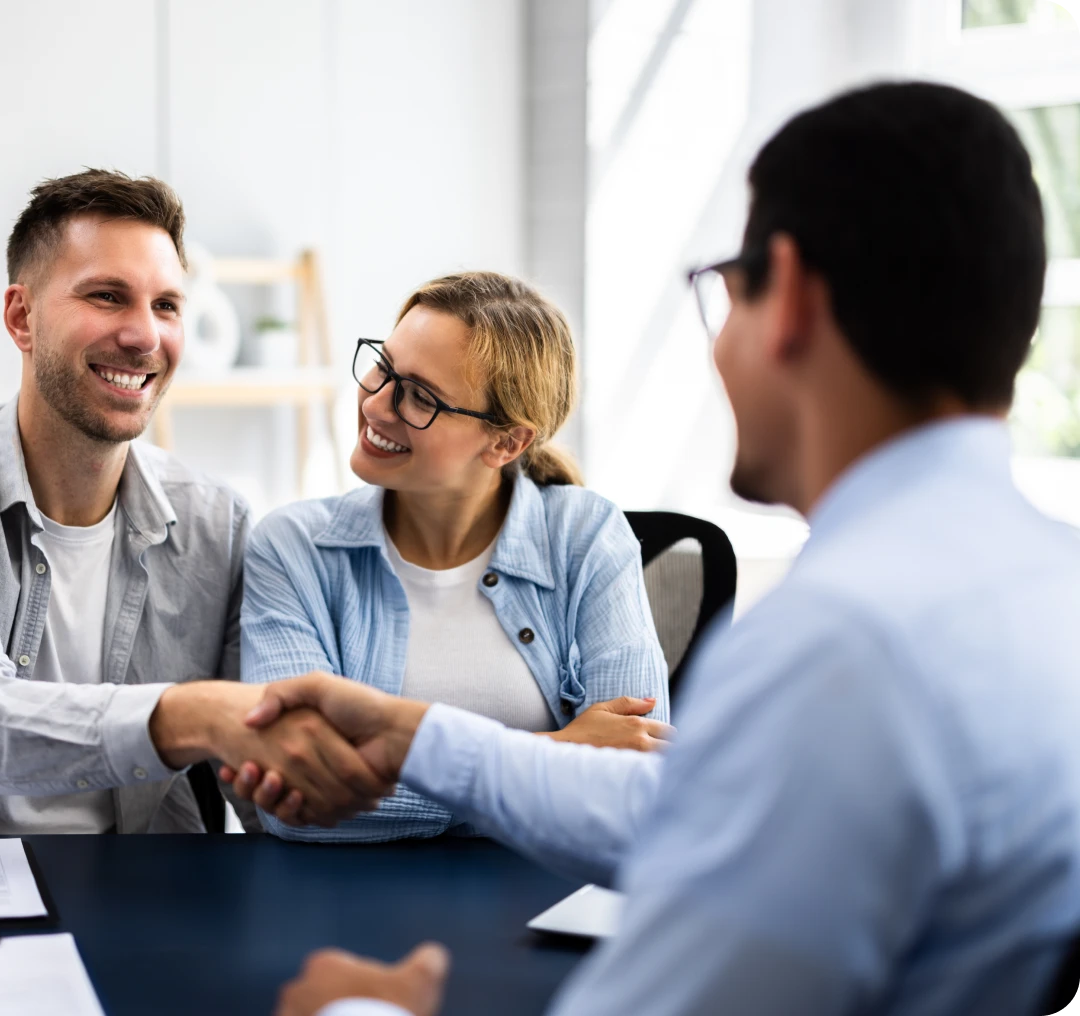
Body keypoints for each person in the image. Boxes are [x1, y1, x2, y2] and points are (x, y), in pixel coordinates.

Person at [227, 81, 1080, 1015]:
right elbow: (687, 815)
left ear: (786, 295)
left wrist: (368, 1009)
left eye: (725, 288)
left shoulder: (839, 650)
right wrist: (421, 741)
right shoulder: (1049, 590)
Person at [0, 169, 387, 836]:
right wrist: (194, 716)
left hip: (155, 898)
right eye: (107, 296)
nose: (145, 337)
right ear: (22, 317)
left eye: (167, 306)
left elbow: (273, 797)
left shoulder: (219, 525)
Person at [240, 271, 671, 841]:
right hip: (346, 903)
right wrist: (558, 752)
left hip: (541, 906)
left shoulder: (587, 536)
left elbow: (635, 786)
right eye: (383, 367)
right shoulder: (293, 548)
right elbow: (291, 796)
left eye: (420, 396)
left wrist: (400, 780)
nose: (376, 403)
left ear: (506, 442)